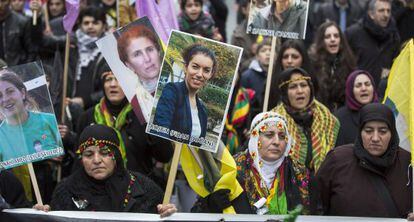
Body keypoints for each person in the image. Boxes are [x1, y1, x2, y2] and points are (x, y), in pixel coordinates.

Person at [77, 63, 173, 188]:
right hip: (97, 193)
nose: (113, 84)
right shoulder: (88, 117)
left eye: (118, 79)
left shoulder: (144, 114)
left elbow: (164, 155)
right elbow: (79, 160)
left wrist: (157, 124)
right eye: (108, 79)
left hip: (137, 192)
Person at [50, 124, 177, 217]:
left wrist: (167, 215)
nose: (96, 160)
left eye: (104, 153)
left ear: (116, 156)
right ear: (81, 159)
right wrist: (41, 215)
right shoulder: (65, 191)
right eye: (89, 154)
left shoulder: (145, 189)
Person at [317, 103, 412, 218]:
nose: (375, 138)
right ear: (360, 132)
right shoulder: (337, 160)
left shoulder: (407, 162)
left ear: (392, 133)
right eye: (368, 131)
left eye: (382, 131)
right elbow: (318, 206)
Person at [271, 67, 339, 213]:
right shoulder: (272, 122)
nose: (300, 91)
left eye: (303, 85)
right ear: (284, 93)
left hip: (323, 201)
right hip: (285, 200)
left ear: (311, 89)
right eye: (293, 87)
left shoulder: (329, 121)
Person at [234, 111, 312, 214]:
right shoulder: (235, 168)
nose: (276, 141)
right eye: (269, 135)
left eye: (282, 136)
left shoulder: (299, 172)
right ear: (255, 138)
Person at [152, 44, 217, 146]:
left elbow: (199, 144)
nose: (200, 74)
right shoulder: (172, 91)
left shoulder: (202, 109)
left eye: (206, 70)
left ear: (210, 74)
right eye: (195, 67)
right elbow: (160, 131)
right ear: (186, 67)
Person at [0, 69, 62, 164]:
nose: (5, 99)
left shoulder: (49, 121)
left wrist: (67, 139)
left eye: (10, 91)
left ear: (23, 93)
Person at [345, 0, 400, 87]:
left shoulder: (393, 35)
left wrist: (391, 71)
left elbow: (397, 64)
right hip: (360, 90)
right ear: (371, 14)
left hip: (384, 92)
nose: (386, 15)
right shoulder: (353, 34)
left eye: (388, 11)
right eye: (381, 10)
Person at [117, 23, 163, 124]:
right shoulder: (135, 104)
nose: (147, 59)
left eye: (150, 49)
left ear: (158, 51)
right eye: (137, 54)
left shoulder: (186, 82)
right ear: (129, 65)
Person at [67, 6, 108, 110]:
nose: (90, 26)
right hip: (69, 109)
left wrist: (86, 101)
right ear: (80, 26)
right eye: (86, 23)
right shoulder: (70, 47)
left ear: (104, 26)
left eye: (95, 23)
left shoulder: (111, 50)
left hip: (98, 110)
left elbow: (113, 87)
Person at [310, 21, 356, 112]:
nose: (333, 39)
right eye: (328, 37)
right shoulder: (313, 65)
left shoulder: (348, 63)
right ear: (321, 41)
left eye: (336, 36)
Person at [267, 39, 317, 110]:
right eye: (285, 57)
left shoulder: (313, 82)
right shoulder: (270, 85)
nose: (289, 61)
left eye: (294, 57)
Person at [335, 70, 378, 146]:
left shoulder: (384, 112)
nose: (364, 88)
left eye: (367, 84)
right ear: (350, 90)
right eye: (358, 85)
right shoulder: (339, 118)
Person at [0, 0, 41, 66]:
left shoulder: (22, 22)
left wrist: (24, 71)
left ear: (9, 1)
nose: (0, 5)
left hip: (17, 71)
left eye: (3, 1)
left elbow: (31, 51)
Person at [240, 39, 271, 111]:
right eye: (263, 51)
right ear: (257, 56)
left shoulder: (279, 75)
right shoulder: (247, 76)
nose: (268, 53)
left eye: (271, 50)